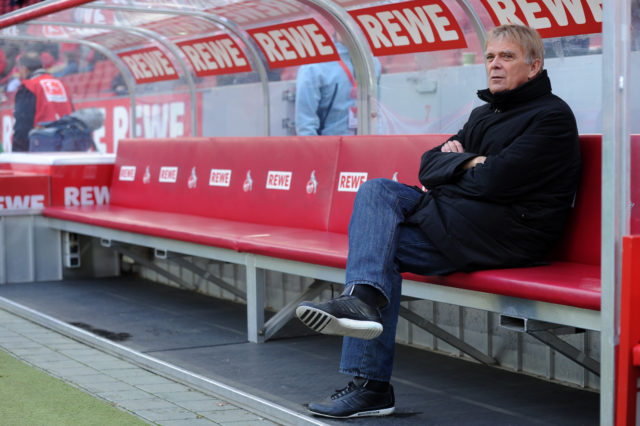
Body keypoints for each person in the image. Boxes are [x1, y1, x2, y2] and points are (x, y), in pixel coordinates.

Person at [295, 24, 581, 418]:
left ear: (534, 67)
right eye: (490, 57)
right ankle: (361, 302)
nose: (495, 65)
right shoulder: (485, 113)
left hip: (507, 237)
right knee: (377, 191)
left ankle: (370, 383)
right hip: (462, 223)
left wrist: (460, 163)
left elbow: (496, 180)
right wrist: (469, 164)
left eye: (507, 57)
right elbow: (428, 167)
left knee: (381, 247)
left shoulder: (552, 117)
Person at [295, 38, 380, 136]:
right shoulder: (314, 65)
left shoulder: (372, 62)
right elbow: (305, 123)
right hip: (330, 147)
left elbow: (377, 111)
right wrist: (315, 150)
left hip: (366, 144)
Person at [12, 50, 73, 152]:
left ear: (25, 69)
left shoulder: (29, 86)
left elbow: (23, 124)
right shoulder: (61, 84)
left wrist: (18, 151)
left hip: (41, 146)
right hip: (66, 144)